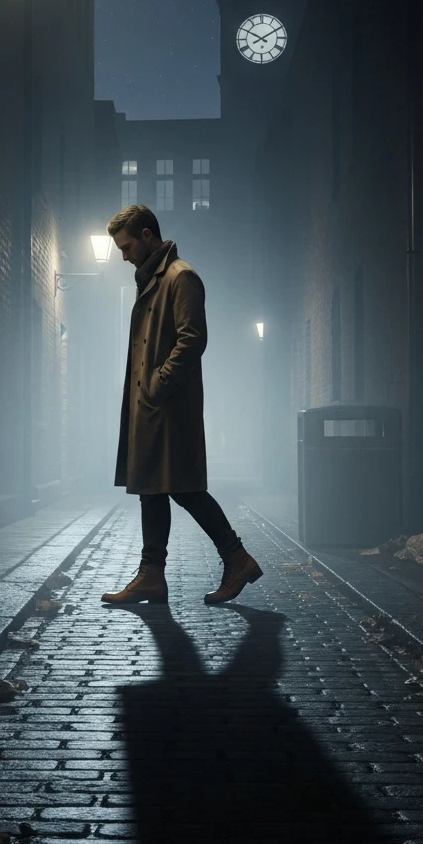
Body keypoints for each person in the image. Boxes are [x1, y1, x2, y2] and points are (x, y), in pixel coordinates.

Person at [101, 204, 263, 605]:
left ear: (147, 236)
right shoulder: (152, 279)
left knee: (182, 487)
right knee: (152, 489)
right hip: (152, 407)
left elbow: (192, 340)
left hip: (169, 408)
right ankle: (152, 575)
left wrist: (158, 383)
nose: (123, 256)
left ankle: (236, 557)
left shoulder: (180, 276)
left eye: (126, 247)